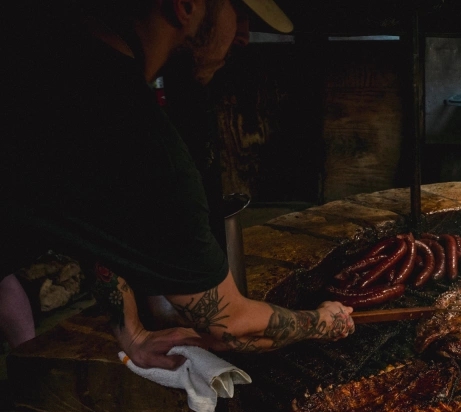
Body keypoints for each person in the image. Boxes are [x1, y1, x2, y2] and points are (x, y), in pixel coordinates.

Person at [4, 0, 354, 370]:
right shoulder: (133, 131)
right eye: (238, 12)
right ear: (185, 6)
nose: (245, 37)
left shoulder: (57, 54)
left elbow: (99, 212)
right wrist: (322, 322)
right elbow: (231, 326)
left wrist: (131, 332)